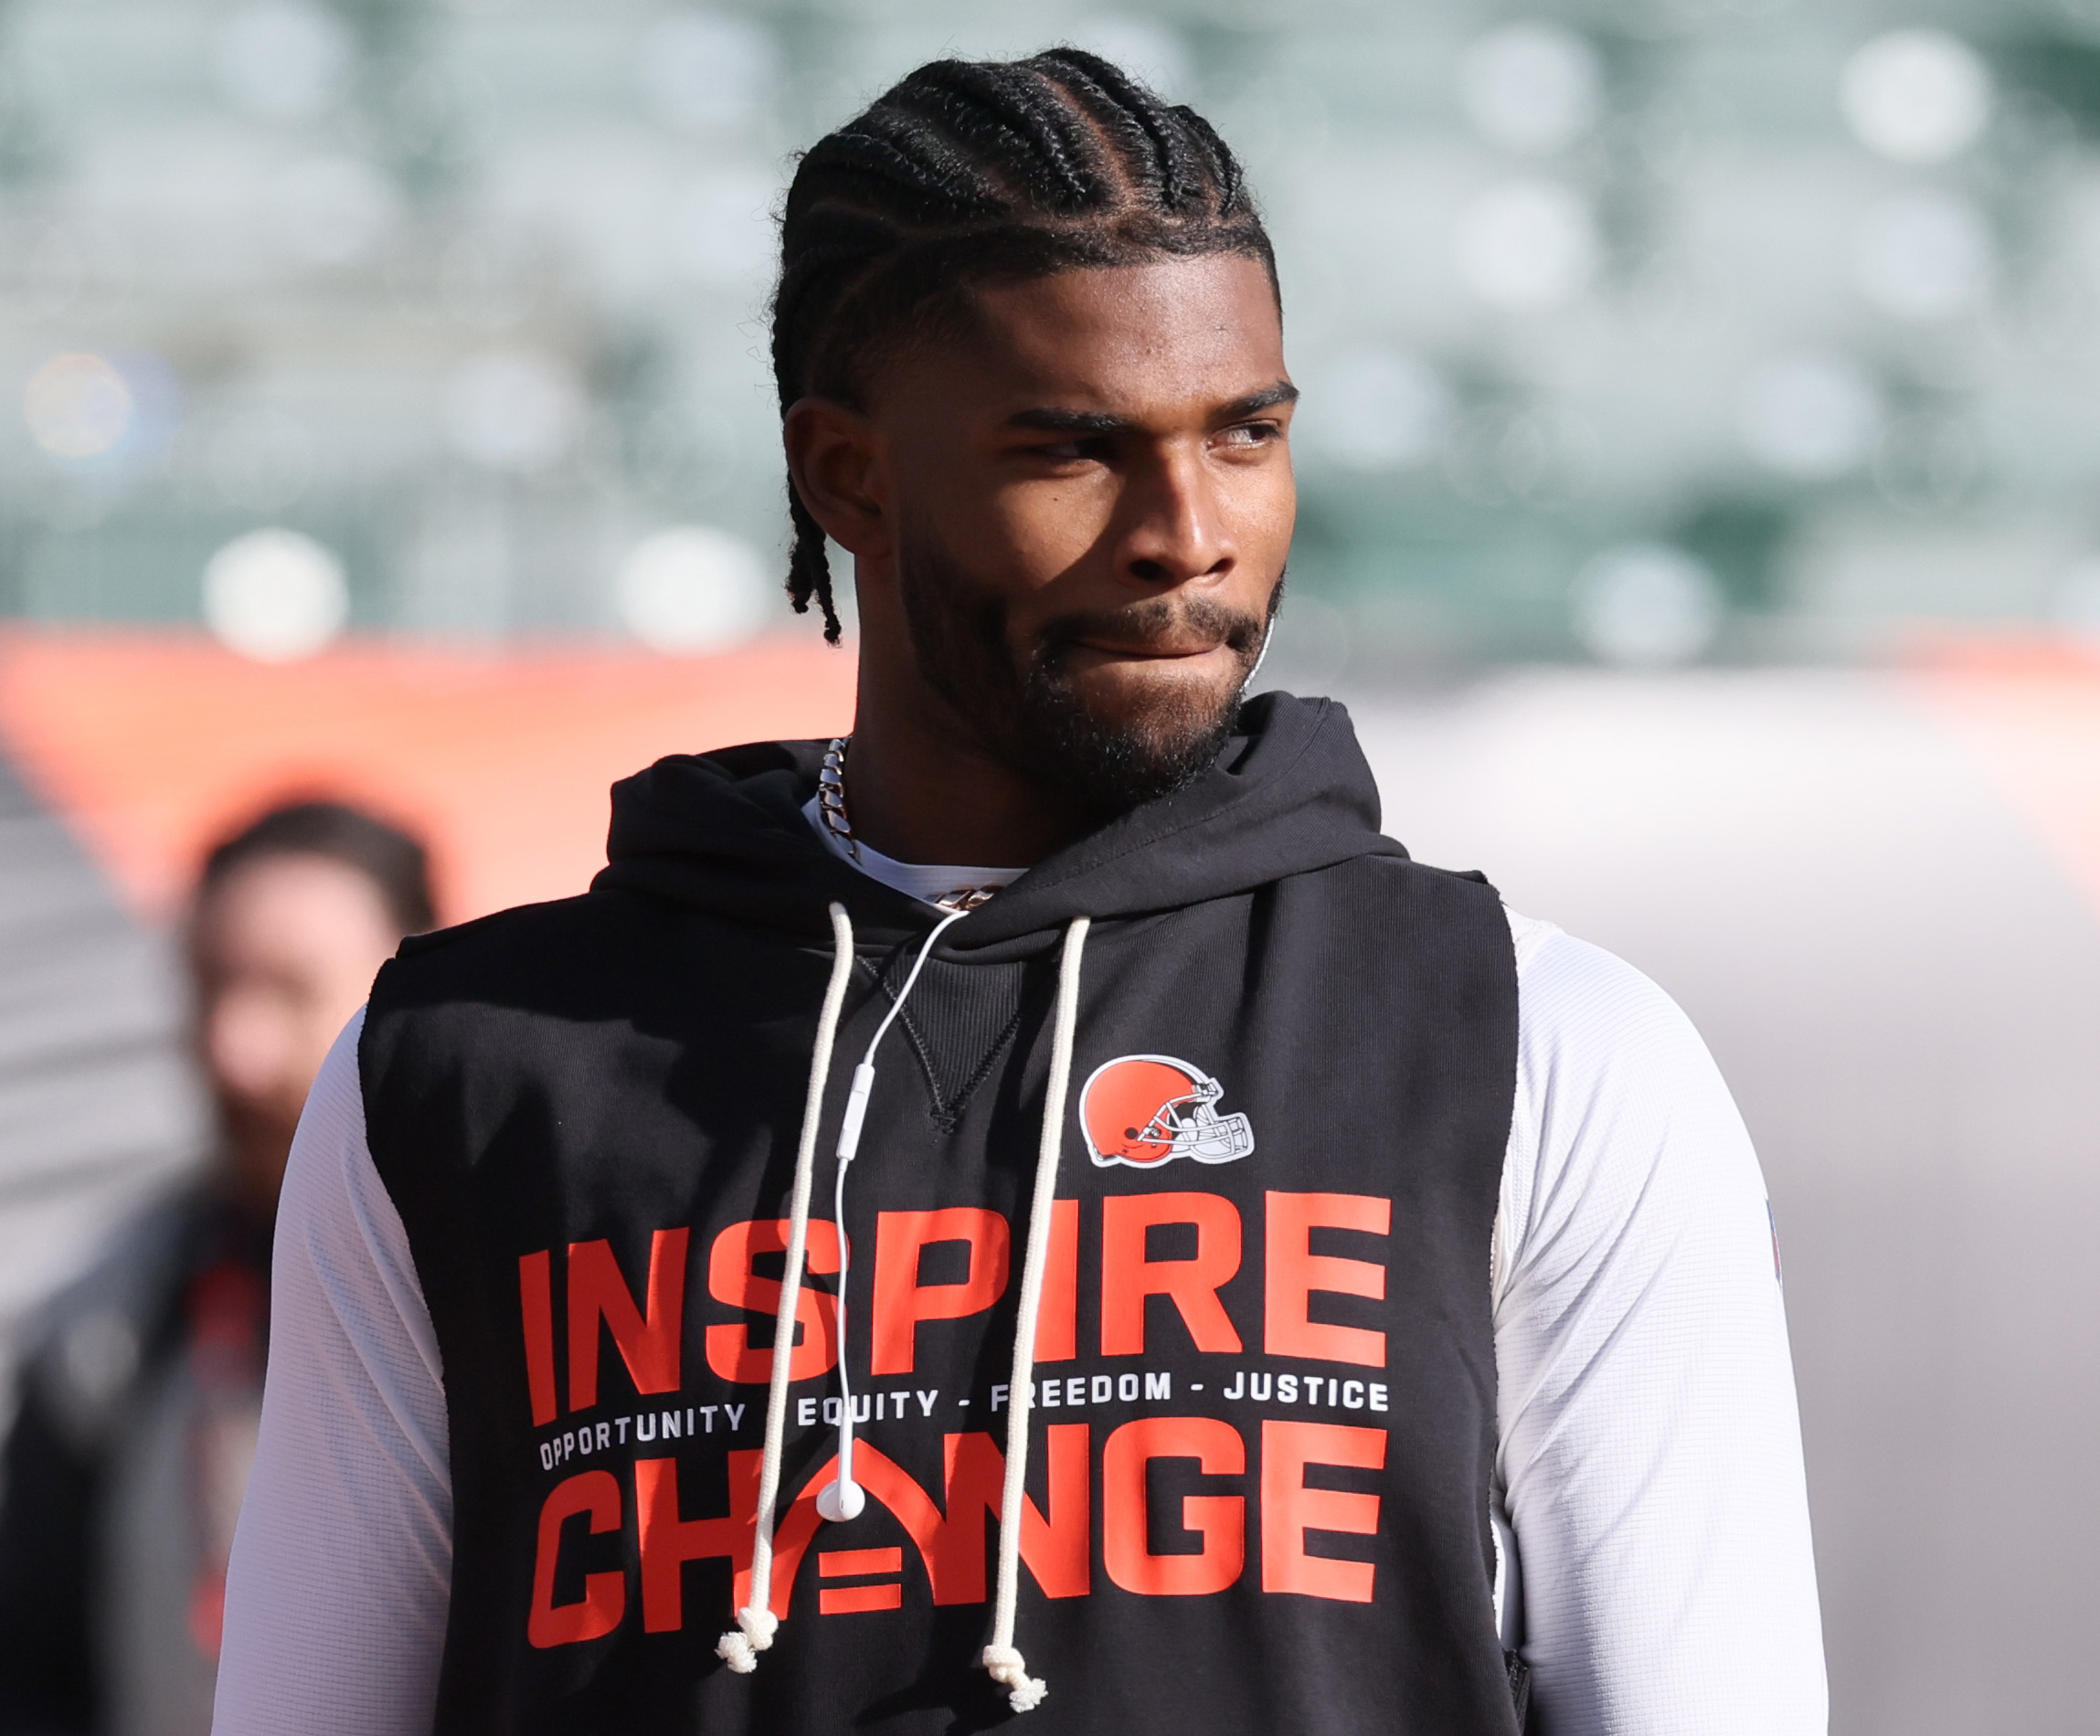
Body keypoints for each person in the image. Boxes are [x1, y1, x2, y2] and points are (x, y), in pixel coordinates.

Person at [213, 50, 1826, 1736]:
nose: (1185, 532)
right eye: (1073, 450)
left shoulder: (1533, 1042)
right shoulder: (460, 1074)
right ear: (845, 477)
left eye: (1246, 434)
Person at [0, 801, 432, 1736]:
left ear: (422, 1001)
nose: (235, 1052)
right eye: (209, 988)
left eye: (288, 990)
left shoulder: (531, 1293)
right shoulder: (110, 1323)